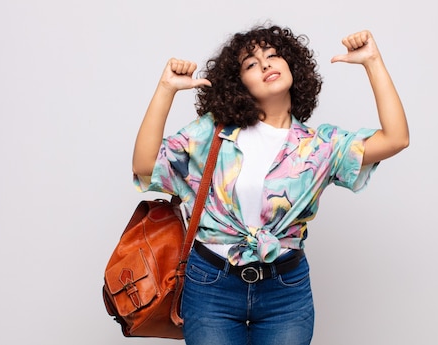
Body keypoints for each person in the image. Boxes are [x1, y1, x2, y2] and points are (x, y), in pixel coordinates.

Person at [132, 23, 409, 345]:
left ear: (292, 66)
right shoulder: (213, 133)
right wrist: (166, 89)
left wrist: (372, 61)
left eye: (273, 55)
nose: (265, 64)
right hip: (211, 285)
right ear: (239, 84)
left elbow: (396, 139)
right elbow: (144, 165)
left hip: (285, 291)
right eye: (251, 63)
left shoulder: (320, 146)